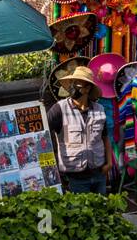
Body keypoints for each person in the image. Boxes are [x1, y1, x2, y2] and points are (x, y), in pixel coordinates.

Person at [47, 65, 111, 195]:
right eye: (72, 83)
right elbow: (43, 135)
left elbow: (105, 138)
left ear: (87, 88)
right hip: (75, 178)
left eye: (77, 84)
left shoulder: (99, 109)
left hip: (99, 173)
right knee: (81, 213)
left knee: (102, 211)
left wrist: (109, 163)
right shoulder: (59, 109)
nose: (73, 87)